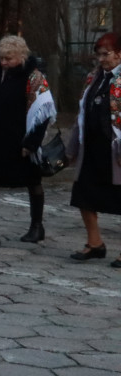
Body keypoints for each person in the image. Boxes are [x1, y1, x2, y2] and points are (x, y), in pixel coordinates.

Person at [0, 35, 54, 244]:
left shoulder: (34, 77)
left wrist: (32, 142)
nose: (4, 62)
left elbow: (43, 112)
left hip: (21, 139)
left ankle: (36, 226)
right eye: (1, 58)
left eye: (9, 58)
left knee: (32, 181)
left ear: (21, 56)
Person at [66, 32, 121, 266]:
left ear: (119, 54)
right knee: (83, 195)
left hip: (115, 150)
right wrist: (73, 146)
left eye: (105, 54)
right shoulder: (94, 77)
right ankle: (95, 243)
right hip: (92, 147)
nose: (101, 59)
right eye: (98, 54)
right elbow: (81, 112)